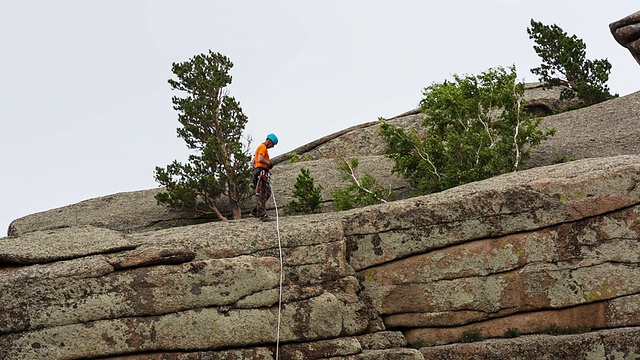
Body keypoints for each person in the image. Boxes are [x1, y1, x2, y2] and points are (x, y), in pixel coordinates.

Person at [251, 133, 278, 221]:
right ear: (269, 141)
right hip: (260, 172)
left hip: (260, 170)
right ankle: (262, 215)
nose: (272, 147)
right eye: (273, 144)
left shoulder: (261, 148)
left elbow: (254, 162)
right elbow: (260, 159)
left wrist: (265, 169)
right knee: (262, 192)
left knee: (267, 192)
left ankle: (256, 211)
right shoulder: (263, 147)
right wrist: (268, 164)